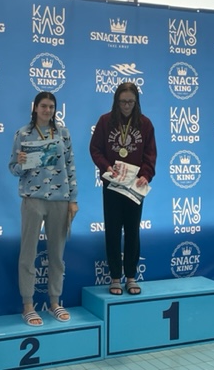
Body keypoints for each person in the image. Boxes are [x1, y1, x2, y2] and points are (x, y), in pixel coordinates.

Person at [9, 92, 78, 326]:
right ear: (35, 108)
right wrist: (20, 163)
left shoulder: (63, 134)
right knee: (28, 253)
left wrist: (73, 199)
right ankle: (28, 305)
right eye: (43, 106)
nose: (47, 110)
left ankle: (55, 302)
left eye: (51, 106)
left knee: (57, 254)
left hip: (60, 199)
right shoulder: (22, 134)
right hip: (33, 199)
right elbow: (13, 168)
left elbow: (70, 166)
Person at [90, 82, 156, 296]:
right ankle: (115, 277)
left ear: (136, 102)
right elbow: (95, 149)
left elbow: (150, 153)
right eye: (123, 102)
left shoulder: (145, 124)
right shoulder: (105, 121)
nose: (126, 106)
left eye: (130, 102)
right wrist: (106, 167)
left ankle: (131, 276)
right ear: (116, 101)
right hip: (113, 185)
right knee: (112, 230)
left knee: (132, 231)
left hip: (135, 187)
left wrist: (146, 174)